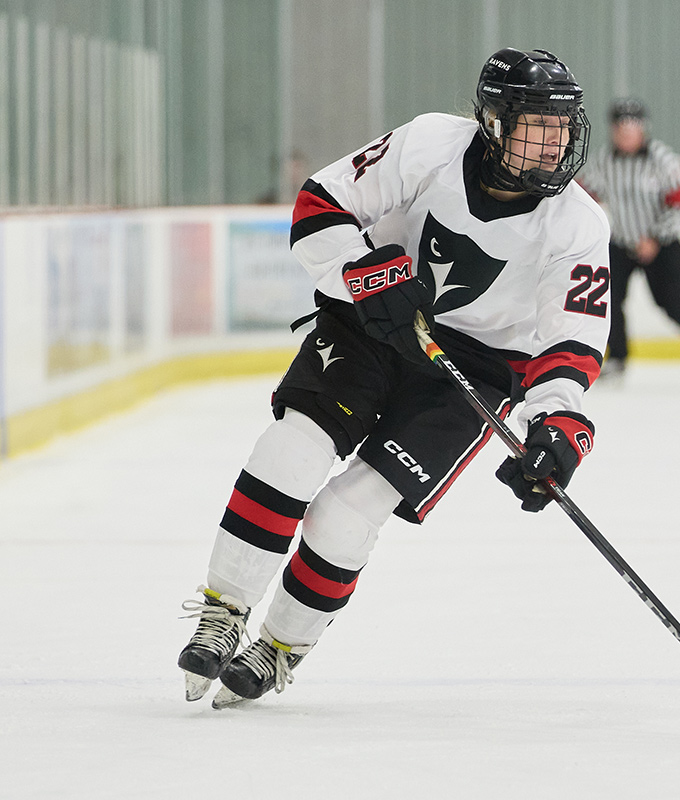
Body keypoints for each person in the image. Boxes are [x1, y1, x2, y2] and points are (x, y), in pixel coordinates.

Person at [176, 48, 610, 708]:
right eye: (536, 128)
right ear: (493, 123)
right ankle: (222, 611)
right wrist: (367, 274)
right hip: (376, 325)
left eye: (562, 130)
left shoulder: (578, 223)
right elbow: (321, 205)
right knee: (290, 453)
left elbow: (570, 340)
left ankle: (281, 645)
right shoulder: (431, 143)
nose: (554, 146)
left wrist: (559, 424)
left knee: (347, 513)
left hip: (478, 369)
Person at [579, 98, 680, 377]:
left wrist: (655, 238)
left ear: (643, 129)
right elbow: (583, 197)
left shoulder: (663, 159)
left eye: (632, 126)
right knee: (607, 300)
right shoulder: (603, 160)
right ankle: (618, 357)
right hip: (621, 243)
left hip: (662, 245)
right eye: (620, 127)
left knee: (674, 305)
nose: (626, 133)